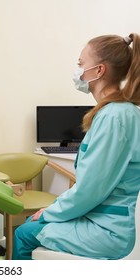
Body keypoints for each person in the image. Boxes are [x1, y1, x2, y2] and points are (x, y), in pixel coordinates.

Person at [13, 33, 140, 260]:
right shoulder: (117, 113)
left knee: (23, 233)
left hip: (107, 230)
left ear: (99, 71)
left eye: (81, 64)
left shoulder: (114, 117)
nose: (78, 70)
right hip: (102, 218)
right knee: (31, 223)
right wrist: (53, 210)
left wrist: (50, 212)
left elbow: (90, 189)